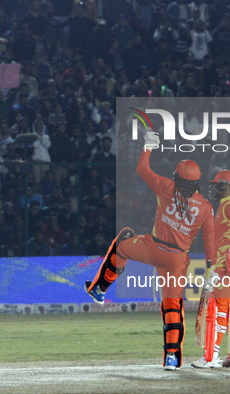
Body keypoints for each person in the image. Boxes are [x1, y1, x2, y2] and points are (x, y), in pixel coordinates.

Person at [84, 131, 216, 371]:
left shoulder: (167, 186)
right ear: (197, 182)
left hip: (152, 248)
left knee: (123, 240)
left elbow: (143, 170)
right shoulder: (206, 207)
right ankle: (172, 358)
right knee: (172, 307)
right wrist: (211, 266)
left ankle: (100, 289)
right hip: (176, 260)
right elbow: (209, 238)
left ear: (176, 177)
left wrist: (148, 146)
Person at [191, 170, 230, 368]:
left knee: (220, 310)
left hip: (228, 267)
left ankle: (211, 357)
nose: (215, 188)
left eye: (219, 185)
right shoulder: (228, 205)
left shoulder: (229, 206)